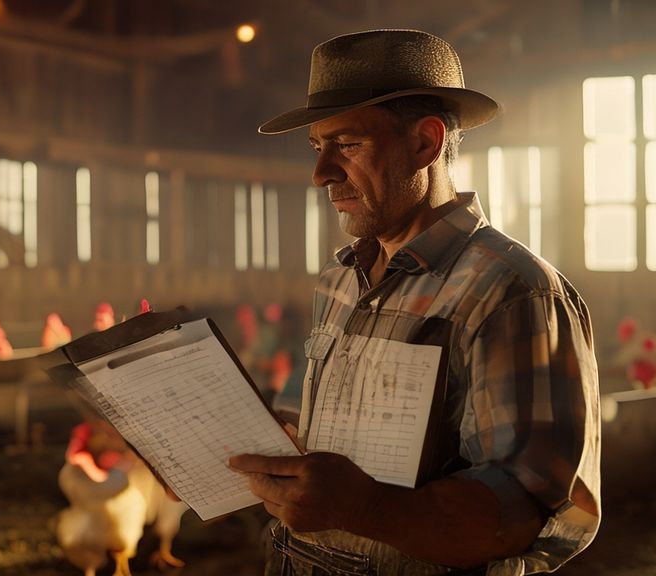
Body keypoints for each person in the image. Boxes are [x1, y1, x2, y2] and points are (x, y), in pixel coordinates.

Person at [228, 29, 601, 576]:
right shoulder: (340, 277)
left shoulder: (511, 291)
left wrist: (368, 508)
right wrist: (228, 462)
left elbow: (533, 511)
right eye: (317, 147)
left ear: (426, 144)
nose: (321, 174)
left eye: (348, 145)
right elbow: (308, 438)